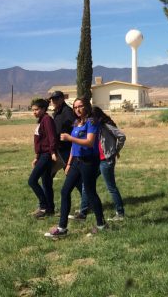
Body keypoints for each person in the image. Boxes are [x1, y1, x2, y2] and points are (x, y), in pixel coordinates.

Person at [45, 97, 106, 238]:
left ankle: (101, 224)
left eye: (80, 106)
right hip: (76, 162)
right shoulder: (76, 122)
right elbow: (74, 146)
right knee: (65, 191)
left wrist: (69, 138)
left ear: (87, 107)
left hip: (89, 161)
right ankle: (62, 228)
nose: (77, 109)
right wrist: (69, 163)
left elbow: (90, 142)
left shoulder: (92, 122)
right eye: (75, 107)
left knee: (90, 192)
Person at [74, 107, 126, 221]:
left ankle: (120, 213)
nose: (89, 119)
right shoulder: (91, 127)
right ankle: (83, 212)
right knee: (86, 185)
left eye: (91, 117)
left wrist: (115, 150)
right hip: (94, 160)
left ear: (97, 116)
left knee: (111, 187)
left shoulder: (105, 126)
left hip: (105, 160)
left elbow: (121, 136)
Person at [27, 98, 58, 218]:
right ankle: (50, 209)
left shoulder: (47, 119)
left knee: (32, 181)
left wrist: (53, 152)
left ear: (44, 109)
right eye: (33, 110)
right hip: (42, 155)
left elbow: (52, 137)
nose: (34, 112)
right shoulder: (41, 120)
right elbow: (39, 142)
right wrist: (36, 157)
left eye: (36, 109)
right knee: (46, 182)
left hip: (47, 155)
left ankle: (43, 206)